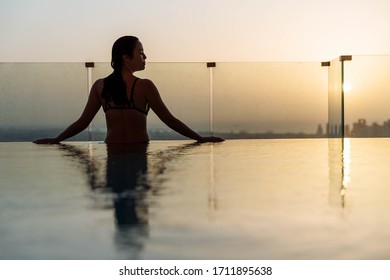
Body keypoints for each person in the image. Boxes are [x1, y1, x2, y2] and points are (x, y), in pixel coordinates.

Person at [34, 36, 224, 144]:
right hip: (139, 150)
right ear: (126, 57)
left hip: (111, 150)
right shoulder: (145, 86)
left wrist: (56, 140)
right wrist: (200, 139)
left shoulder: (100, 85)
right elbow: (170, 120)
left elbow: (82, 123)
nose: (145, 56)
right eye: (140, 52)